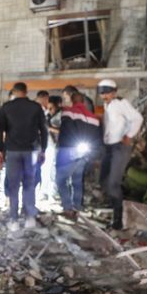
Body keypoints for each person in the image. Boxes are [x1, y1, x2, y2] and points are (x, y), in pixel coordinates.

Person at [0, 82, 48, 231]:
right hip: (31, 151)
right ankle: (30, 218)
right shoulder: (36, 107)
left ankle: (13, 221)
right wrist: (43, 149)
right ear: (26, 92)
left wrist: (0, 150)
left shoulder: (6, 107)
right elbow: (43, 130)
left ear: (14, 92)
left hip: (12, 151)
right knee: (29, 184)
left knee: (13, 185)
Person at [97, 79, 143, 230]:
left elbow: (137, 118)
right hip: (109, 147)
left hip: (120, 147)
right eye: (102, 93)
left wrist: (129, 136)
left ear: (114, 92)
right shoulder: (107, 105)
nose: (105, 96)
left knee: (113, 183)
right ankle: (114, 206)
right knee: (103, 179)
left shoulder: (121, 103)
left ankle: (118, 220)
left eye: (107, 93)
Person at [56, 91, 101, 220]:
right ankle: (78, 206)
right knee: (77, 180)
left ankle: (67, 207)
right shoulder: (93, 118)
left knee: (61, 179)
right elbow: (96, 137)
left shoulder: (68, 112)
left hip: (68, 150)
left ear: (72, 100)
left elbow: (65, 131)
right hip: (85, 151)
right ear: (83, 102)